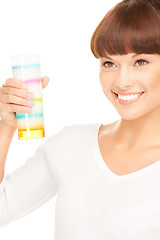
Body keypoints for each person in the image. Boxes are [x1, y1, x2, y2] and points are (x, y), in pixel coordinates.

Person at [1, 0, 160, 239]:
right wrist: (4, 127)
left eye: (140, 62)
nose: (122, 81)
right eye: (109, 63)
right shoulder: (71, 145)